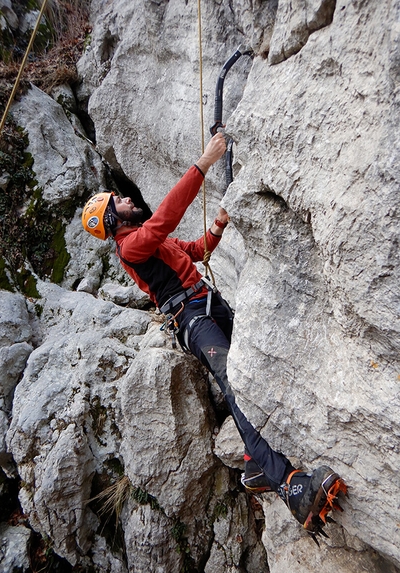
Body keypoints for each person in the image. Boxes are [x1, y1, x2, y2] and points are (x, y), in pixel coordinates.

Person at [82, 132, 346, 540]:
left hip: (208, 304)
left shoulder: (152, 243)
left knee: (254, 366)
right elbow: (165, 218)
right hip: (192, 319)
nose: (126, 198)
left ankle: (254, 465)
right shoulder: (130, 247)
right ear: (112, 220)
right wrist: (203, 163)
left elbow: (196, 250)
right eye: (118, 201)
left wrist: (219, 224)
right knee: (233, 381)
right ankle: (290, 486)